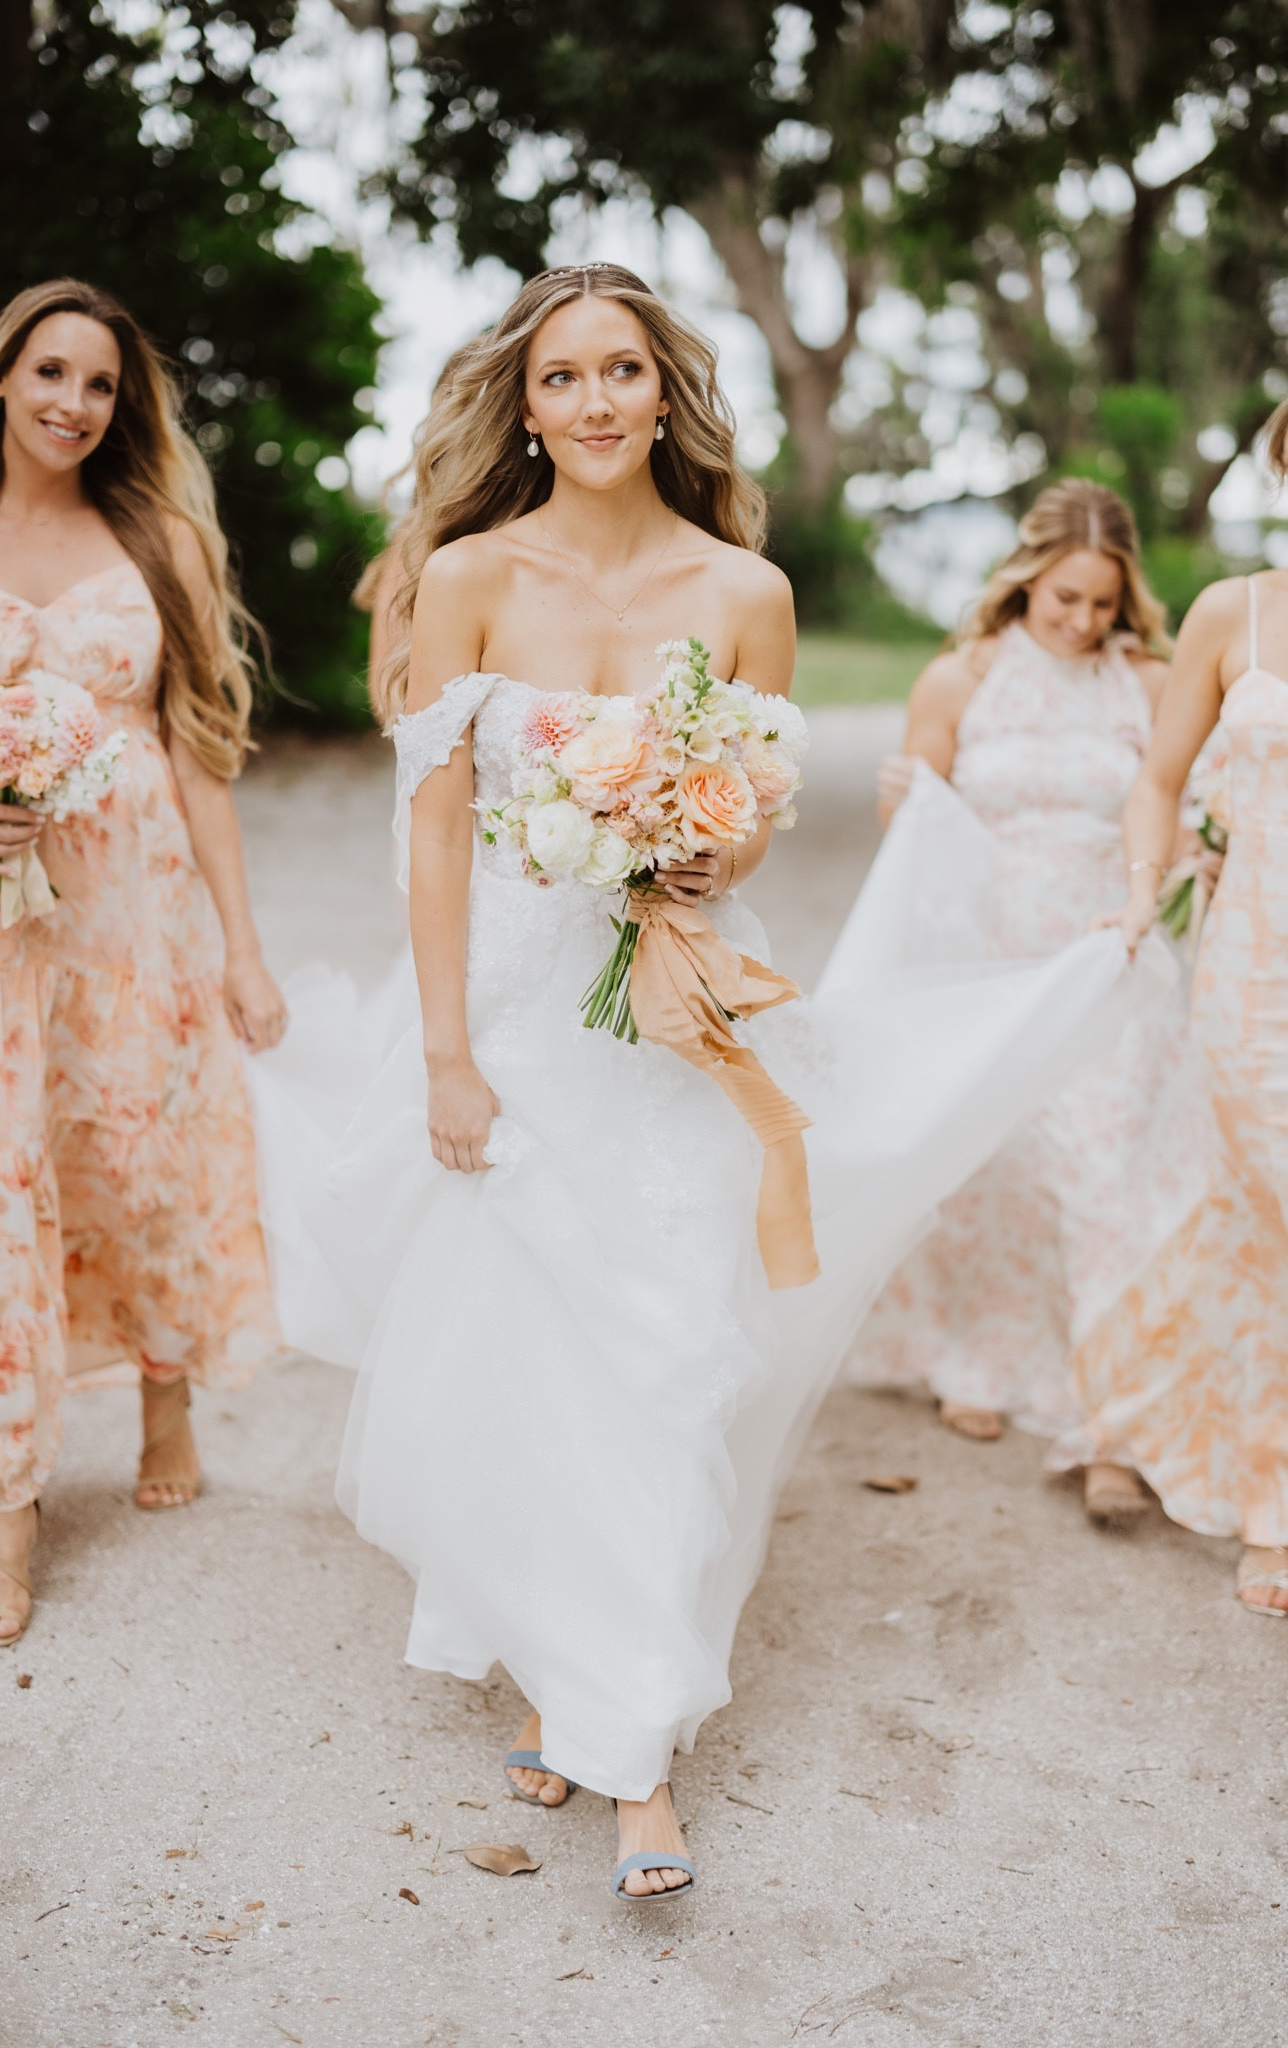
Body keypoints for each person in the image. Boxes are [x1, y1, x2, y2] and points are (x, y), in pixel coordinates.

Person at [248, 265, 1163, 1901]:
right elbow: (438, 832)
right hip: (523, 1019)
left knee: (668, 1353)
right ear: (523, 409)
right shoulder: (462, 578)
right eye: (561, 380)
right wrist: (450, 1052)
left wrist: (691, 839)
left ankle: (635, 1734)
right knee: (526, 1349)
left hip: (680, 1019)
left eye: (621, 372)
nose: (593, 403)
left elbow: (751, 816)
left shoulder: (745, 589)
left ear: (663, 394)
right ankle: (553, 1655)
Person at [0, 279, 286, 1647]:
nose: (75, 404)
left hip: (130, 909)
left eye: (101, 386)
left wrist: (243, 950)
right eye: (51, 374)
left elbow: (199, 748)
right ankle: (7, 1502)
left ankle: (165, 1379)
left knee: (134, 1152)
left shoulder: (158, 540)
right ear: (0, 379)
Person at [852, 482, 1211, 1516]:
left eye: (1101, 603)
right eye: (1064, 598)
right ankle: (979, 1354)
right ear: (1025, 578)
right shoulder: (960, 679)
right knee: (989, 1162)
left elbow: (1176, 812)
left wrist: (1165, 888)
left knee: (1104, 1170)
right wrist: (901, 807)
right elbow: (916, 832)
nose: (1081, 621)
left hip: (1104, 955)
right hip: (989, 952)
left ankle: (1110, 1421)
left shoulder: (1143, 682)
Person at [1072, 400, 1288, 1611]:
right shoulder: (1232, 612)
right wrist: (1144, 892)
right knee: (1272, 1213)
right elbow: (1157, 781)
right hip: (1254, 975)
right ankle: (1273, 1498)